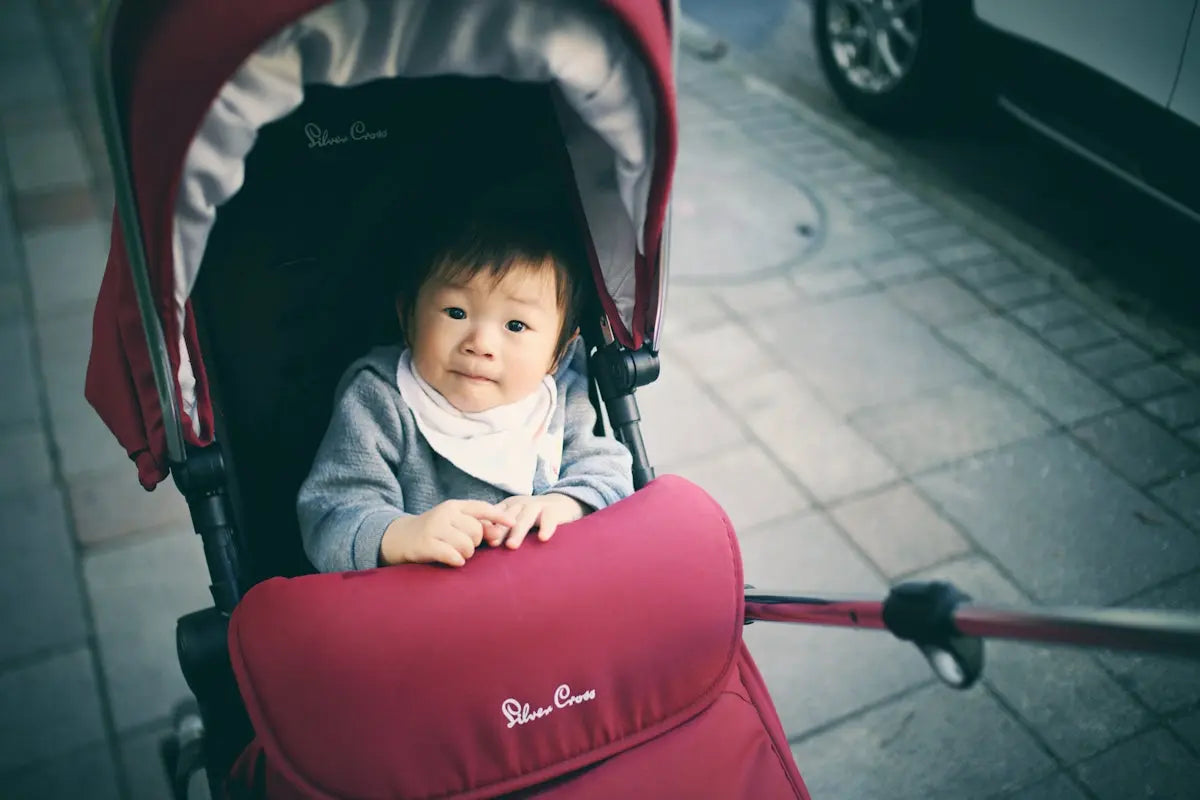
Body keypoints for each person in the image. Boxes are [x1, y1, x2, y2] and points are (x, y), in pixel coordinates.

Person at [297, 187, 634, 573]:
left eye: (516, 325)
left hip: (541, 597)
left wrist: (563, 504)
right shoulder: (381, 399)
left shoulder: (556, 398)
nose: (480, 344)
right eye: (456, 312)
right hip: (427, 611)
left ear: (558, 352)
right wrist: (400, 535)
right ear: (408, 315)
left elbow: (608, 471)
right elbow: (331, 511)